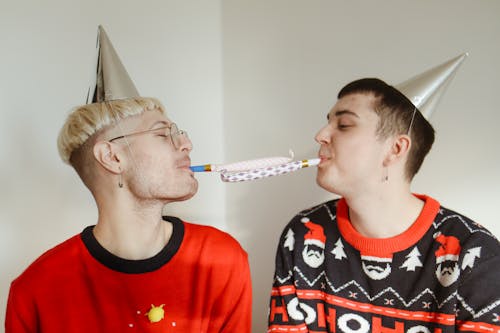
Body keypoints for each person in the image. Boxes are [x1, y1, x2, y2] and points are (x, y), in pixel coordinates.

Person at [5, 26, 251, 333]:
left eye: (178, 133)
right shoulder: (34, 291)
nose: (186, 144)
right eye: (163, 134)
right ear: (112, 157)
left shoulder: (221, 260)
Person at [268, 76, 500, 332]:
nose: (320, 135)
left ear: (396, 149)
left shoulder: (476, 255)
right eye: (328, 122)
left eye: (344, 124)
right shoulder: (304, 233)